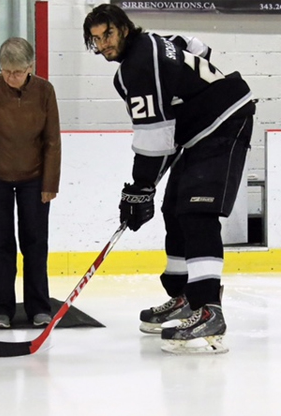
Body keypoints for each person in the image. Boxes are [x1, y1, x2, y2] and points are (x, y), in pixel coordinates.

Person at [83, 4, 255, 354]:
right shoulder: (155, 43)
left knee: (196, 211)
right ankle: (185, 298)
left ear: (124, 28)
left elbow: (154, 137)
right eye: (96, 40)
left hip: (225, 119)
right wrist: (142, 190)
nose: (103, 45)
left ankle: (208, 309)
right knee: (174, 208)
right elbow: (196, 48)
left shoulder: (138, 66)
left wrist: (139, 188)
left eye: (108, 34)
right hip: (198, 129)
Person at [0, 37, 61, 328]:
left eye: (17, 72)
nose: (11, 77)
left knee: (35, 243)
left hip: (34, 178)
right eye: (6, 71)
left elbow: (52, 140)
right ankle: (1, 310)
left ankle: (39, 307)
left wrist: (49, 184)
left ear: (30, 67)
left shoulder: (44, 90)